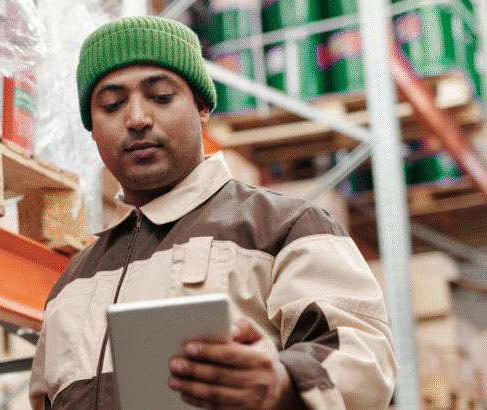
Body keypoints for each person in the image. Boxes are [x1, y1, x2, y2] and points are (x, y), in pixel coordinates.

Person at [29, 16, 397, 410]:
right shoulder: (71, 284)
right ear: (92, 128)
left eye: (161, 97)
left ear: (201, 107)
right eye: (112, 104)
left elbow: (365, 358)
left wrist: (282, 382)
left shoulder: (285, 228)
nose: (136, 118)